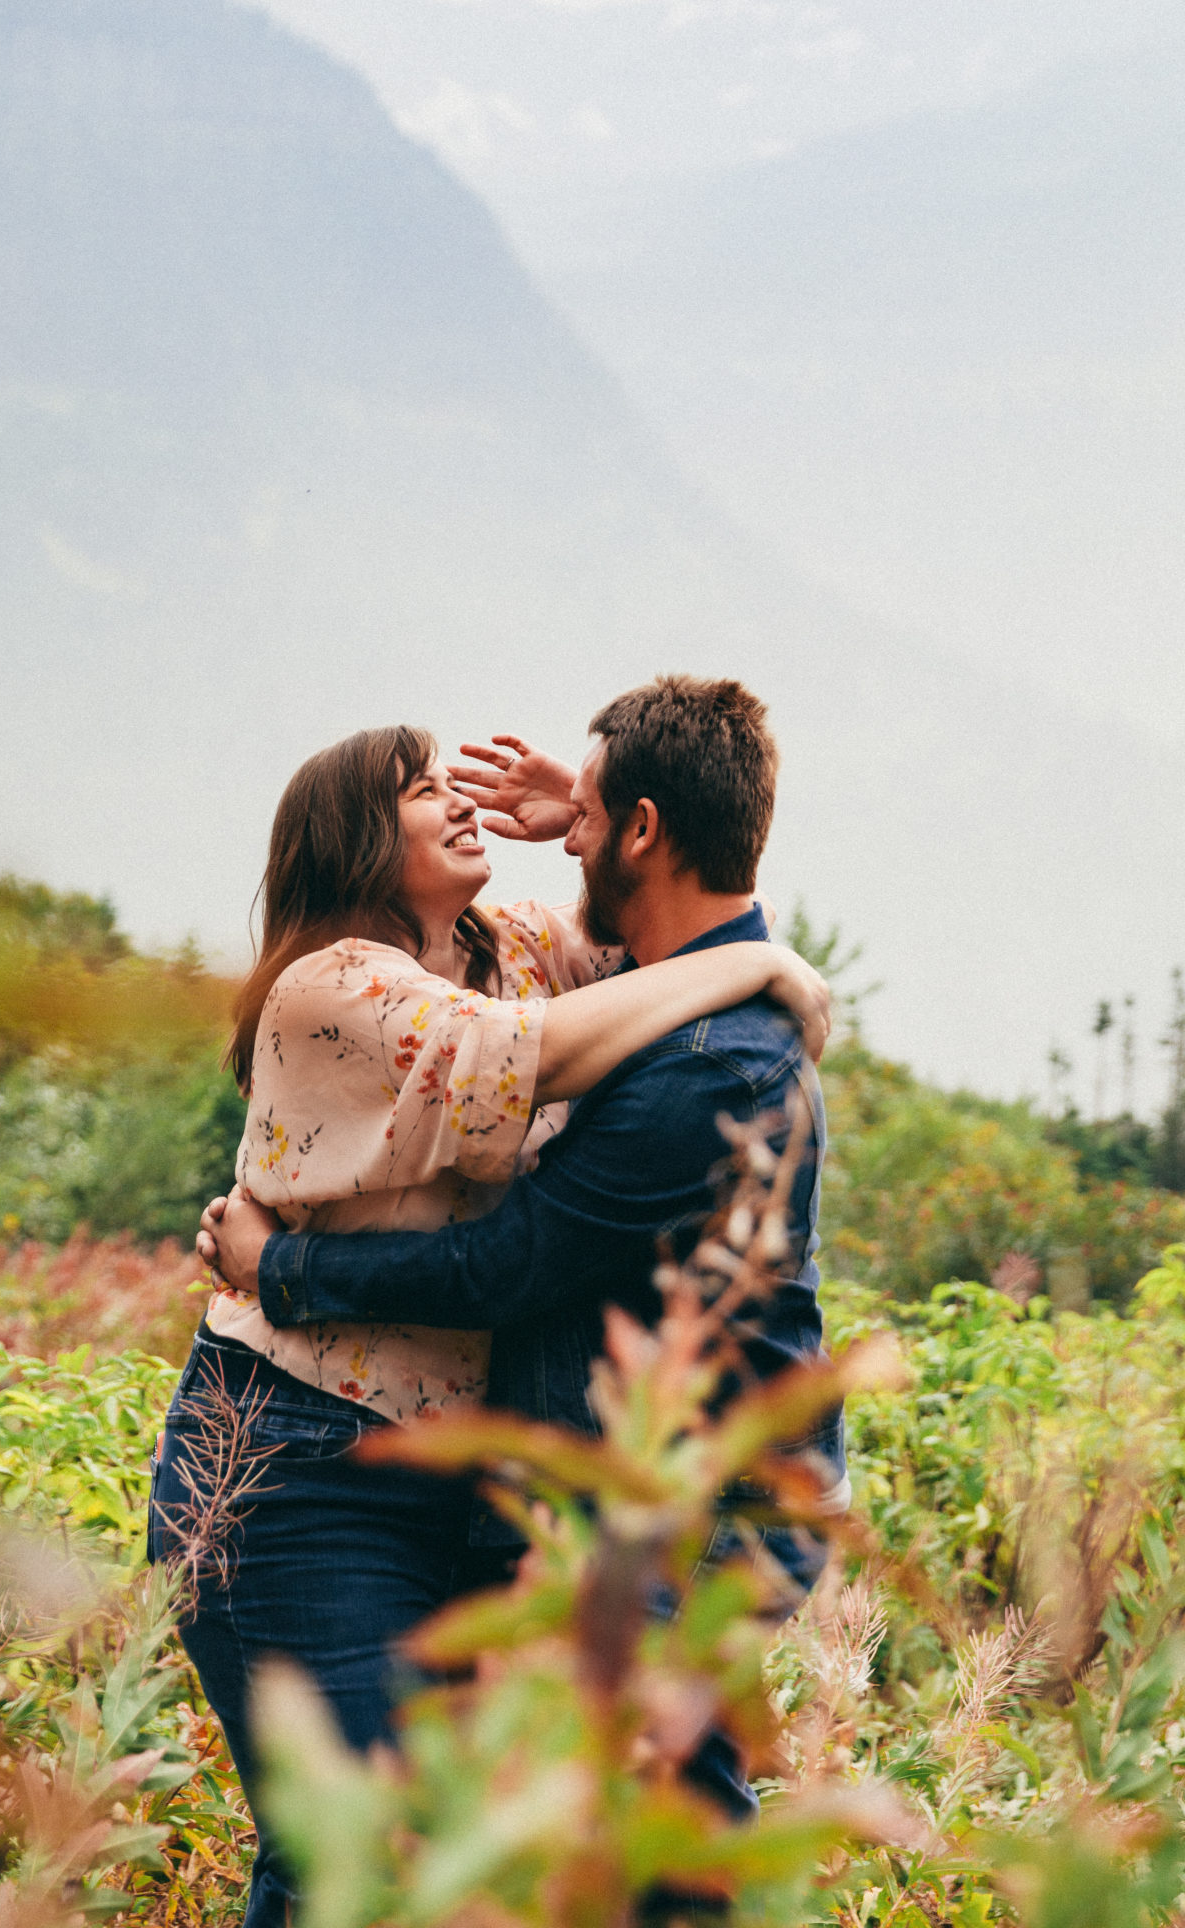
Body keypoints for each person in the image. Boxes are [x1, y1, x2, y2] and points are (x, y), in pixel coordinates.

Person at [150, 715, 831, 1928]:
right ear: (358, 837)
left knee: (394, 1844)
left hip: (441, 1490)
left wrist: (607, 820)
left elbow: (665, 928)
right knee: (360, 1848)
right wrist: (771, 970)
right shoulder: (333, 987)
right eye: (422, 792)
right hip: (294, 1463)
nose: (456, 801)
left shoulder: (509, 943)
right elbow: (546, 1048)